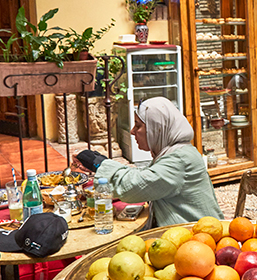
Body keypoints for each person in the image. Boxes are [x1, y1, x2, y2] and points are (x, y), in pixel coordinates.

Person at [76, 97, 223, 228]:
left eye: (138, 126)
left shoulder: (180, 159)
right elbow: (146, 176)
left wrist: (98, 162)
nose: (133, 131)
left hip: (199, 240)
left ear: (157, 129)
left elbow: (133, 186)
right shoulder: (174, 152)